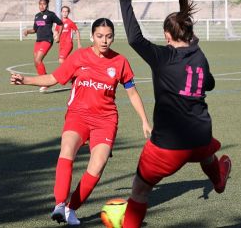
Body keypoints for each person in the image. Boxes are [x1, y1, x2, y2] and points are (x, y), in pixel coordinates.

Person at [10, 17, 152, 225]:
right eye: (100, 36)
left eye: (109, 36)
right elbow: (53, 79)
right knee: (67, 150)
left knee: (98, 164)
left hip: (105, 120)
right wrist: (26, 80)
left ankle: (71, 209)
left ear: (113, 37)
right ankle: (59, 204)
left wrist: (144, 121)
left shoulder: (120, 62)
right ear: (92, 36)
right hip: (78, 115)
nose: (104, 41)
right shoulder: (79, 57)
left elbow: (132, 93)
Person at [119, 0, 232, 227]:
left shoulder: (163, 57)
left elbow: (135, 39)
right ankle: (219, 180)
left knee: (139, 191)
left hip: (169, 146)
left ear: (167, 35)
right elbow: (209, 84)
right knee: (206, 154)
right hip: (201, 136)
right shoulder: (200, 57)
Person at [23, 0, 63, 93]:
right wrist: (28, 31)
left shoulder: (51, 15)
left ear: (47, 5)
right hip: (38, 41)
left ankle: (45, 83)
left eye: (44, 4)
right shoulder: (37, 16)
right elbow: (35, 29)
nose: (42, 6)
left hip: (47, 40)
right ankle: (45, 80)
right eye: (40, 4)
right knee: (36, 62)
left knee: (38, 60)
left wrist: (58, 35)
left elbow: (60, 24)